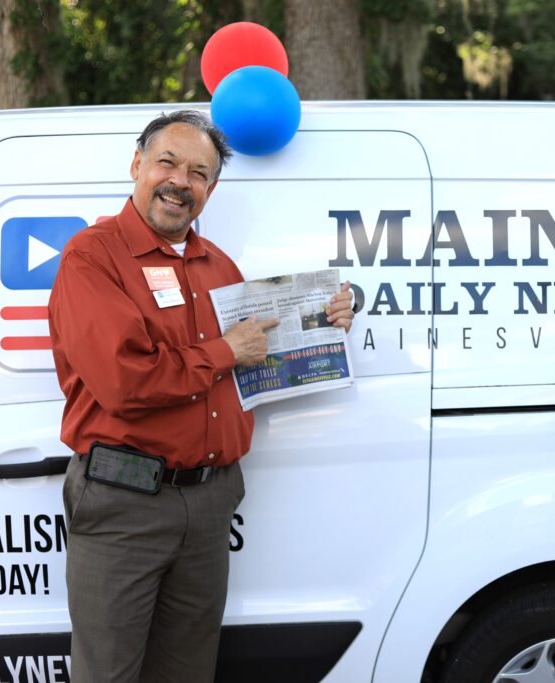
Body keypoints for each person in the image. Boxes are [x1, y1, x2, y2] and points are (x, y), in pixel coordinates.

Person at [48, 110, 355, 683]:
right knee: (107, 674)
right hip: (124, 501)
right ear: (137, 164)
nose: (180, 182)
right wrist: (224, 351)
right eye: (167, 162)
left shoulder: (217, 265)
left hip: (211, 502)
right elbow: (124, 384)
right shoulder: (92, 257)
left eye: (199, 174)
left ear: (210, 189)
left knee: (188, 673)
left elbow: (261, 354)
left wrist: (324, 319)